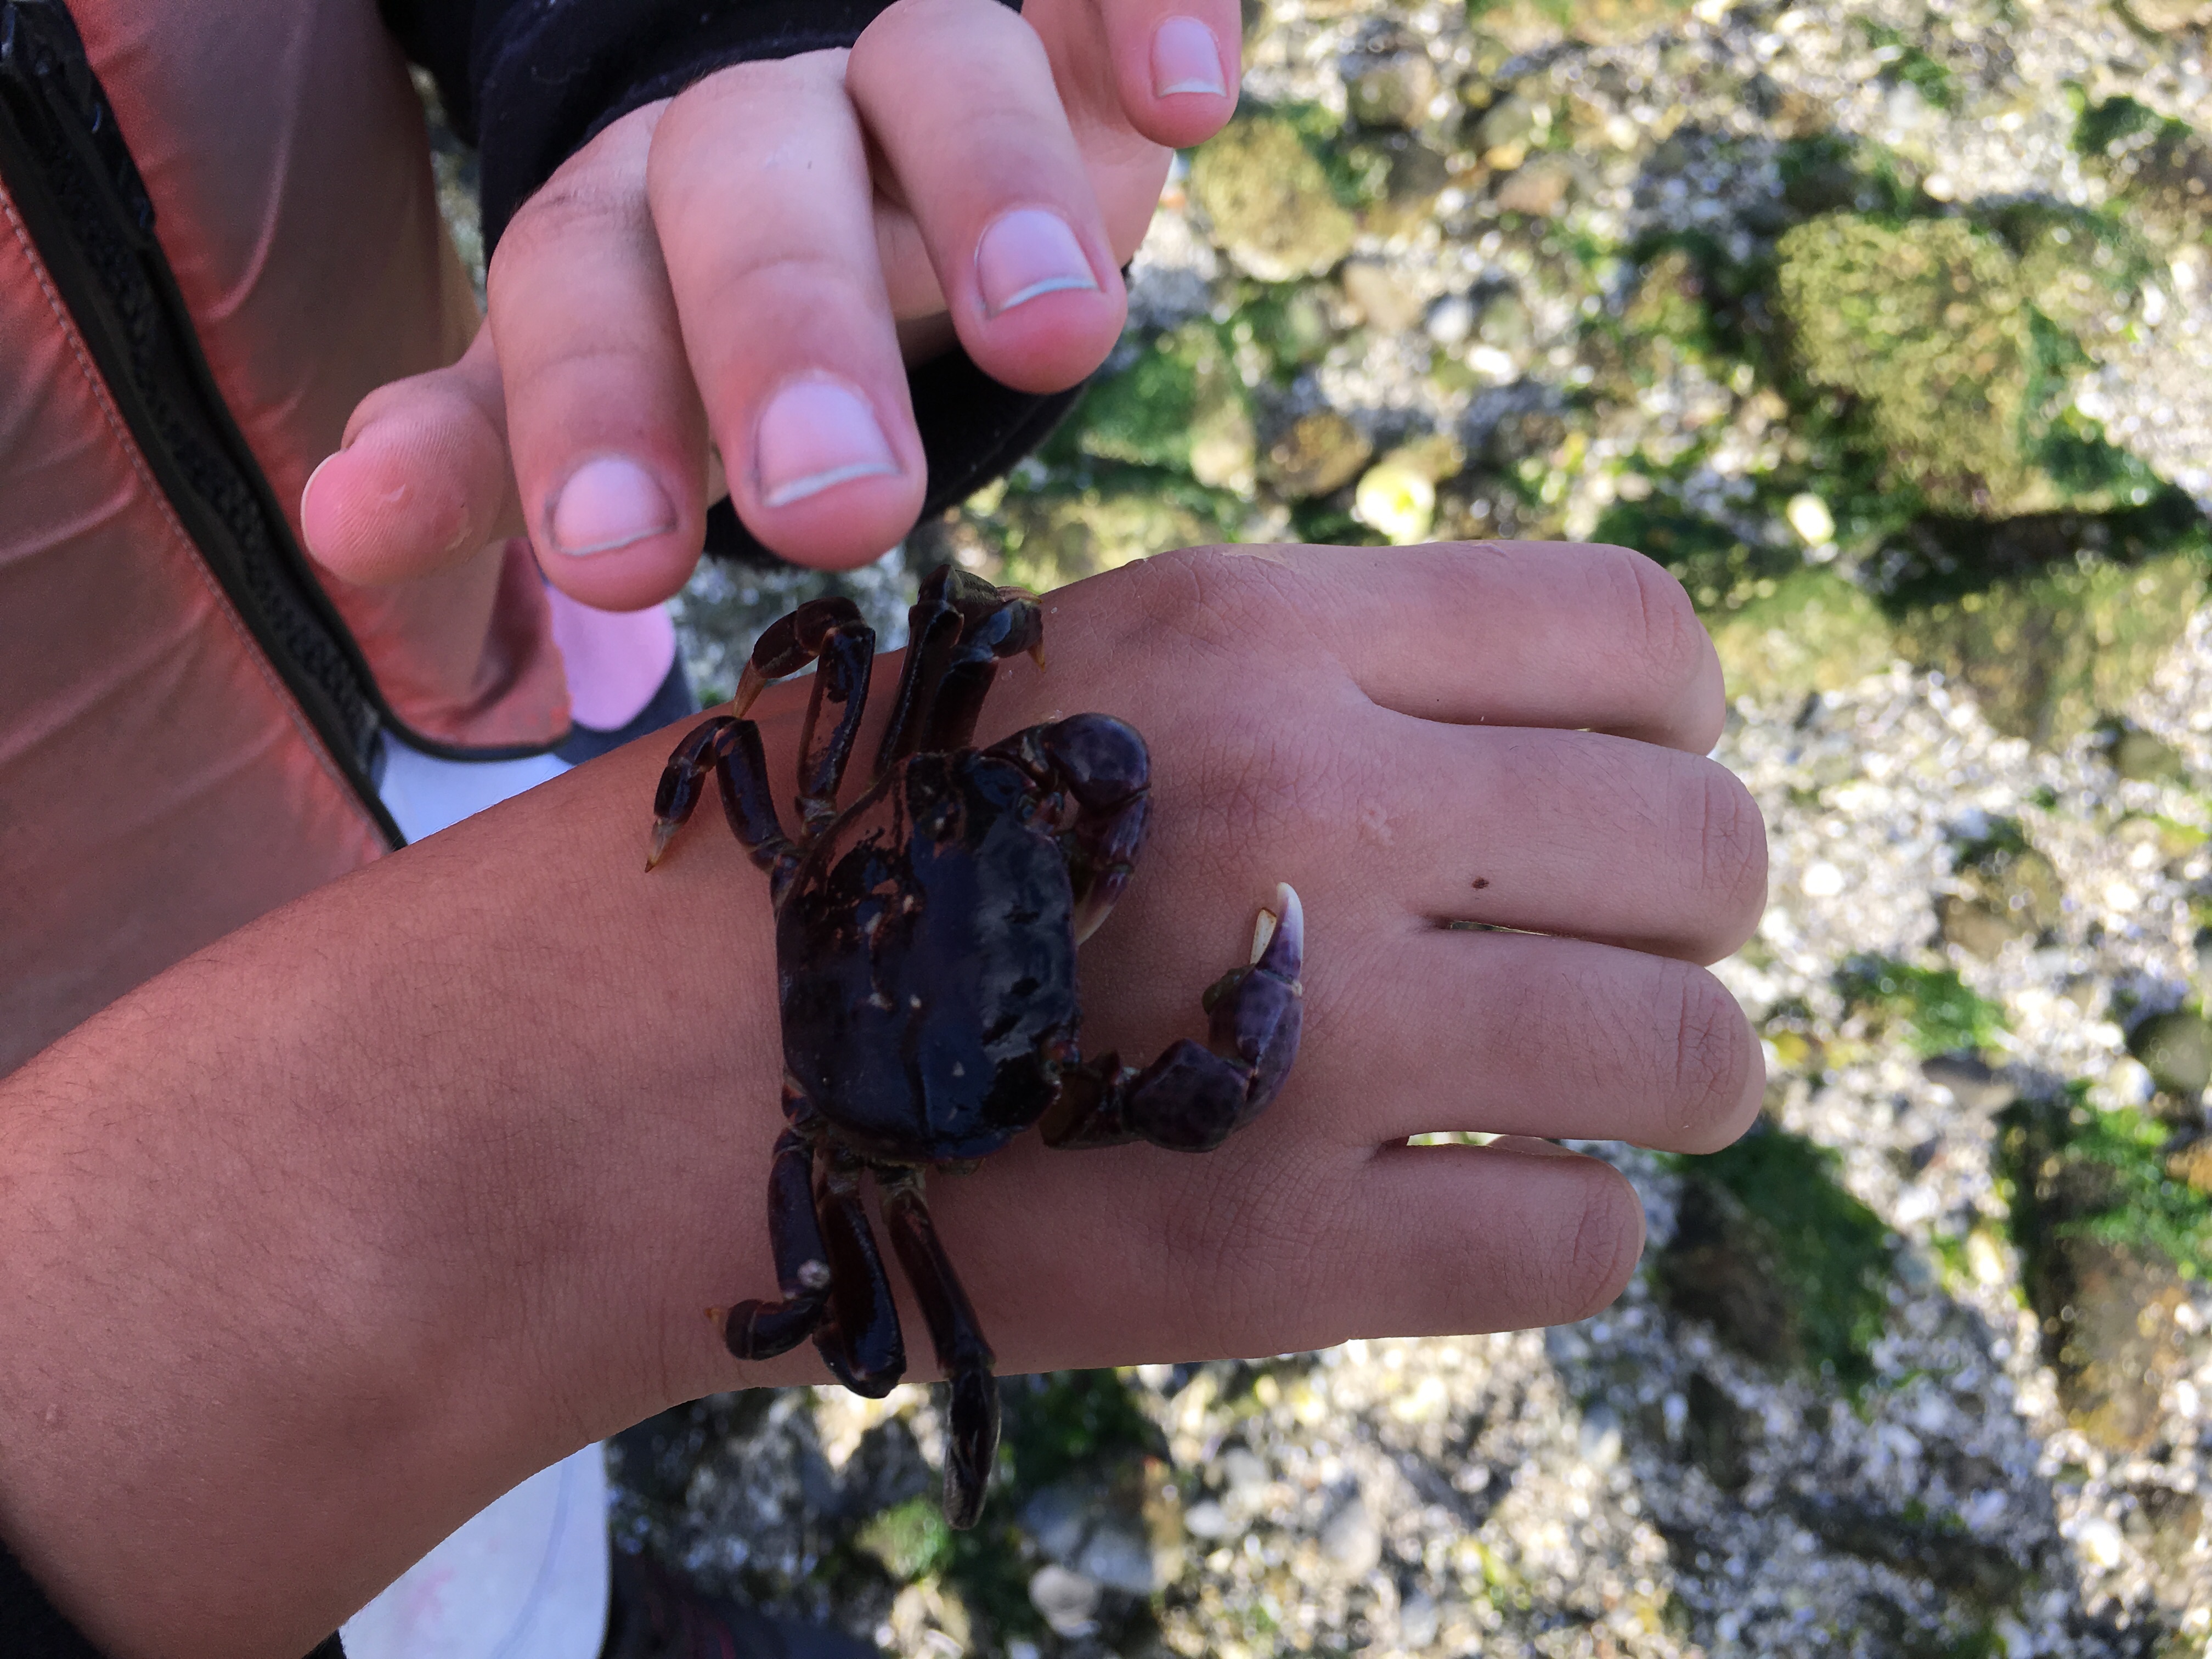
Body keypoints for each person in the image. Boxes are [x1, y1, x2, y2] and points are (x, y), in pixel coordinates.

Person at [0, 3, 1770, 1658]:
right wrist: (478, 1190)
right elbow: (847, 1327)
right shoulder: (864, 1143)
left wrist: (714, 89)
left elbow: (831, 670)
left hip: (476, 666)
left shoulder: (799, 796)